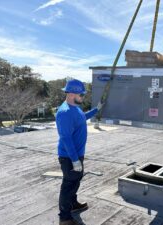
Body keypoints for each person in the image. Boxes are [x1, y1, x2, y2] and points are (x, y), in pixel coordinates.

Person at [56, 79, 103, 225]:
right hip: (69, 157)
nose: (83, 97)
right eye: (81, 94)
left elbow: (83, 117)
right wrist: (75, 160)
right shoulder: (65, 112)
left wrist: (96, 109)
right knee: (68, 184)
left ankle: (73, 204)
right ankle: (64, 217)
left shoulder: (75, 108)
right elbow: (66, 138)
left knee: (75, 181)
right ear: (70, 94)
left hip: (77, 155)